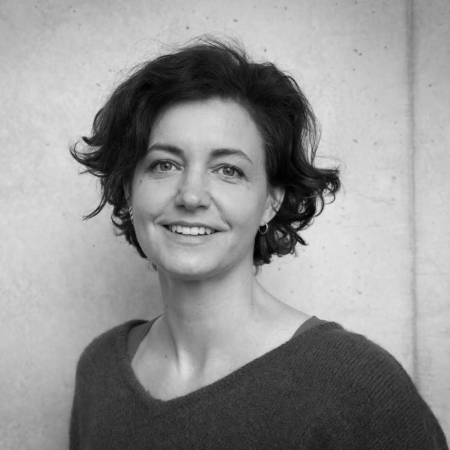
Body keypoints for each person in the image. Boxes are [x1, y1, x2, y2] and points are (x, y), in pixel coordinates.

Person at [69, 37, 448, 449]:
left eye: (228, 170)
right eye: (164, 164)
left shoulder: (355, 386)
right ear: (128, 188)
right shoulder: (100, 371)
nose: (191, 196)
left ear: (271, 201)